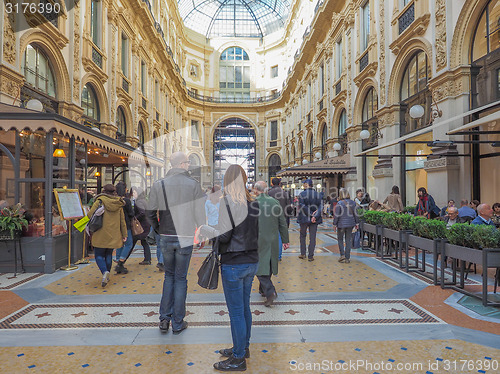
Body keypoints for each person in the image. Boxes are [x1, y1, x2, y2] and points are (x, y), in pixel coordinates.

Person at [200, 165, 260, 372]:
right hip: (251, 261)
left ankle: (238, 358)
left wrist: (207, 230)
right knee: (244, 307)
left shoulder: (227, 203)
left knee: (236, 312)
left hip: (233, 263)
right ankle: (243, 348)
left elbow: (224, 236)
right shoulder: (254, 203)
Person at [147, 152, 206, 335]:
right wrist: (200, 233)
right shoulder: (194, 185)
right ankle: (178, 322)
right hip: (186, 237)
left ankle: (164, 319)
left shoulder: (159, 185)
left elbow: (150, 212)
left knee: (169, 277)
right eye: (188, 162)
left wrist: (158, 228)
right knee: (180, 279)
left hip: (166, 235)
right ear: (181, 164)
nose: (189, 165)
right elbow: (200, 213)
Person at [254, 181, 290, 307]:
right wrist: (285, 240)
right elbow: (282, 222)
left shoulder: (253, 203)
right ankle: (262, 289)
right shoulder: (275, 202)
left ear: (255, 190)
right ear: (267, 190)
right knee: (268, 263)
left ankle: (270, 291)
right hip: (273, 239)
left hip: (258, 240)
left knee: (258, 267)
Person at [86, 184, 127, 287]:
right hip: (113, 234)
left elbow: (90, 214)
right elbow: (122, 221)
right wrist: (124, 234)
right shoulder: (118, 203)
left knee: (99, 255)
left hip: (100, 233)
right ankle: (107, 272)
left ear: (104, 191)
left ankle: (105, 272)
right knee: (108, 254)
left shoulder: (100, 201)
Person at [297, 179, 322, 261]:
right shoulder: (318, 194)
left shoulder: (302, 194)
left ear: (306, 184)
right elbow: (320, 207)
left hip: (304, 218)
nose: (303, 185)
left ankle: (303, 253)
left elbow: (302, 206)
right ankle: (310, 256)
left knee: (303, 235)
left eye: (304, 184)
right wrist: (315, 216)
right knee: (312, 237)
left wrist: (310, 214)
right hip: (315, 219)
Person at [267, 177, 292, 261]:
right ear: (279, 183)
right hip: (282, 217)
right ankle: (278, 256)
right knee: (280, 236)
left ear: (272, 184)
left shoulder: (269, 193)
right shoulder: (285, 193)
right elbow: (289, 207)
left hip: (270, 217)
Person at [126, 187, 152, 265]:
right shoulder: (144, 201)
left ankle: (123, 259)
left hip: (141, 225)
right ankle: (147, 259)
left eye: (134, 193)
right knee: (144, 242)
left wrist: (135, 218)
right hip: (146, 224)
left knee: (133, 241)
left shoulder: (139, 202)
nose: (133, 194)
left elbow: (142, 212)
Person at [333, 188, 359, 263]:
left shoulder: (339, 203)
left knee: (340, 239)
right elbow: (356, 214)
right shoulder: (353, 203)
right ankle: (347, 258)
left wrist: (334, 224)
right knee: (348, 240)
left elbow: (337, 215)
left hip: (341, 225)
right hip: (350, 224)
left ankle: (342, 255)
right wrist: (357, 223)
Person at [114, 181, 135, 274]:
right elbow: (131, 213)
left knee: (120, 243)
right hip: (126, 225)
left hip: (116, 224)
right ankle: (121, 262)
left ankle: (118, 259)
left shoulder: (114, 200)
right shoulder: (126, 201)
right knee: (129, 243)